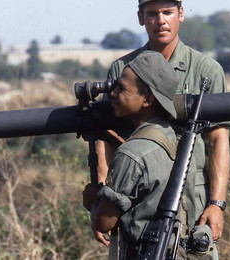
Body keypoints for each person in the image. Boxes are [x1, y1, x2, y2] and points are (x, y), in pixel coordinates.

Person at [93, 0, 230, 252]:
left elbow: (219, 140)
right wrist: (102, 198)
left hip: (191, 202)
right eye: (152, 14)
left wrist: (217, 204)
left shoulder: (207, 70)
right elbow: (106, 139)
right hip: (134, 204)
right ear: (140, 18)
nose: (161, 20)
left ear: (180, 13)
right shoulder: (122, 70)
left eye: (167, 12)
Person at [83, 51, 205, 259]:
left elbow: (104, 222)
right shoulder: (179, 142)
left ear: (147, 99)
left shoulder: (131, 155)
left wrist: (92, 201)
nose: (112, 94)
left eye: (122, 88)